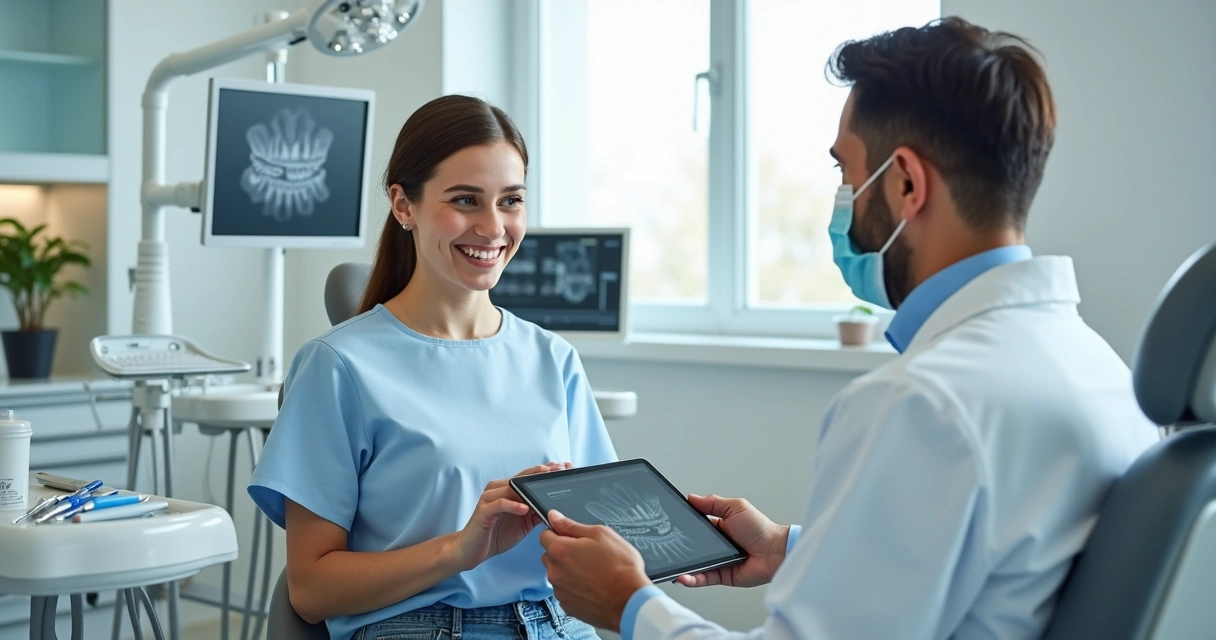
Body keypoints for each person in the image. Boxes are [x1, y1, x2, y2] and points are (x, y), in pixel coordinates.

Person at [538, 16, 1160, 640]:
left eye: (846, 174)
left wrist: (629, 601)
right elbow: (997, 571)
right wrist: (791, 548)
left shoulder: (922, 403)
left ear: (907, 183)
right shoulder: (1102, 371)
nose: (844, 198)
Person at [248, 94, 616, 640]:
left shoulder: (552, 358)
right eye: (466, 200)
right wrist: (459, 550)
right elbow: (310, 589)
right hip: (425, 627)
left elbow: (601, 529)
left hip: (561, 626)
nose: (493, 228)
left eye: (510, 200)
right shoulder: (339, 367)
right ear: (404, 205)